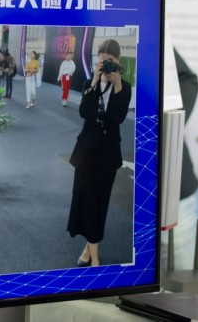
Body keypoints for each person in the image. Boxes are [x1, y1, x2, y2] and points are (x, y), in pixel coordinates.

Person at [67, 39, 132, 267]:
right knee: (85, 201)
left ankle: (92, 255)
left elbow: (117, 118)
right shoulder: (89, 82)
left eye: (111, 61)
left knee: (99, 204)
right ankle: (91, 253)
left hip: (107, 156)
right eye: (103, 61)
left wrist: (117, 87)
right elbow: (85, 112)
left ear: (118, 61)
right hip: (86, 154)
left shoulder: (124, 87)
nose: (107, 65)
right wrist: (95, 82)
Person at [160, 48, 198, 271]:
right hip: (122, 199)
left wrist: (162, 130)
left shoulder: (150, 31)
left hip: (174, 194)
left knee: (189, 283)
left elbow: (187, 80)